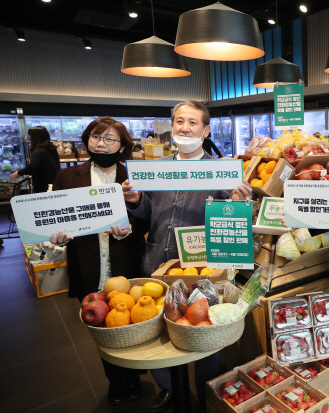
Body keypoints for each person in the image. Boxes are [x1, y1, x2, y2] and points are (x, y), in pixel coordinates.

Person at [122, 100, 252, 413]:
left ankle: (207, 394)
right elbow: (146, 211)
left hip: (200, 272)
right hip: (156, 265)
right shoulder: (157, 170)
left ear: (205, 130)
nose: (185, 128)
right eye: (180, 121)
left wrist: (236, 201)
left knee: (203, 333)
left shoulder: (221, 171)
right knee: (157, 331)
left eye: (193, 123)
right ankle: (169, 387)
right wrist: (136, 200)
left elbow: (230, 221)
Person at [50, 117, 148, 406]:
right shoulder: (67, 177)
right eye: (96, 137)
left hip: (127, 265)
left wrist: (130, 228)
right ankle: (116, 382)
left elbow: (146, 220)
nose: (101, 144)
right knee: (103, 330)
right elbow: (56, 218)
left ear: (122, 146)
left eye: (109, 139)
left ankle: (133, 377)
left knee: (129, 323)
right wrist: (58, 238)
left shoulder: (132, 177)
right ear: (87, 140)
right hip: (88, 265)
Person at [9, 126, 60, 193]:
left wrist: (19, 173)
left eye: (30, 136)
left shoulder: (38, 151)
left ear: (35, 137)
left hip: (42, 185)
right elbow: (44, 165)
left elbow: (33, 167)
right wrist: (32, 172)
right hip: (54, 183)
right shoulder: (51, 148)